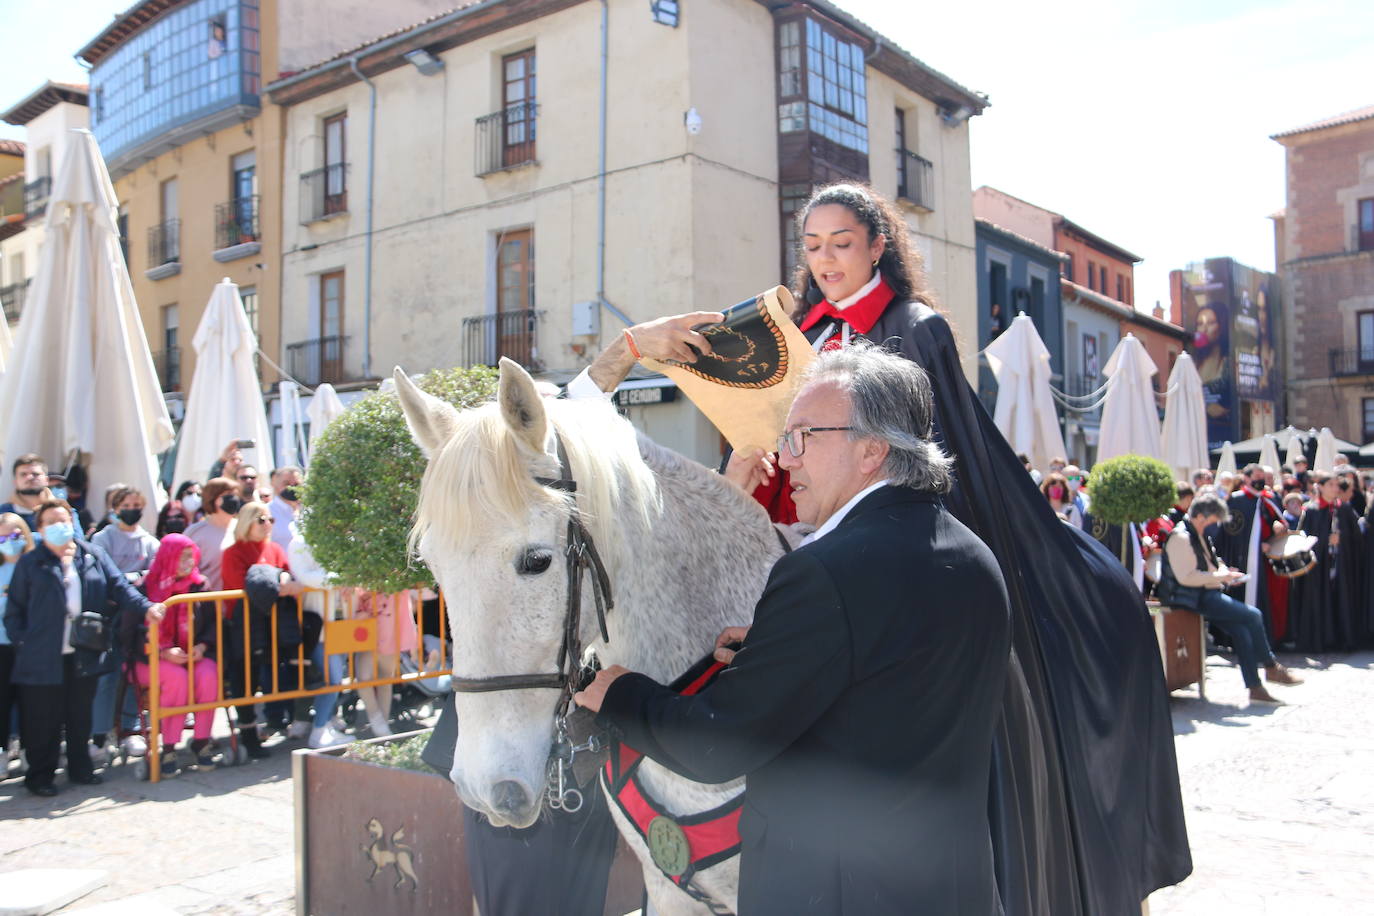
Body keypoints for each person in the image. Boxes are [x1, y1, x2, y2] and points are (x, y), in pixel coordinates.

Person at [575, 181, 1191, 912]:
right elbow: (791, 459)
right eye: (812, 246)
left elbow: (938, 455)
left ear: (878, 246)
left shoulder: (913, 326)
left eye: (842, 243)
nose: (827, 259)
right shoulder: (794, 329)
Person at [577, 344, 1011, 914]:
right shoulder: (976, 557)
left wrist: (619, 693)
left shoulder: (824, 573)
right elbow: (889, 682)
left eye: (804, 436)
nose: (786, 459)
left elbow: (718, 745)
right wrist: (774, 653)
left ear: (872, 450)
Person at [3, 500, 165, 796]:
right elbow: (14, 611)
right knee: (44, 718)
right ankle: (41, 775)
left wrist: (147, 608)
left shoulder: (92, 554)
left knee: (80, 715)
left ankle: (81, 768)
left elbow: (120, 588)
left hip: (84, 650)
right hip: (42, 655)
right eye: (51, 521)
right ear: (40, 529)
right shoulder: (31, 562)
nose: (59, 526)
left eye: (63, 519)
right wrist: (25, 641)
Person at [1159, 492, 1302, 705]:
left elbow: (1213, 561)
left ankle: (1255, 689)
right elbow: (1186, 578)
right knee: (1253, 616)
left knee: (1242, 632)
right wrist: (1222, 576)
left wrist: (1225, 572)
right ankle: (1271, 667)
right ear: (1201, 517)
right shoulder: (1181, 537)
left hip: (1202, 594)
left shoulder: (1196, 533)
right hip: (1189, 598)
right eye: (1213, 521)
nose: (1213, 525)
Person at [220, 501, 305, 758]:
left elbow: (288, 575)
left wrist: (278, 579)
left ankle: (276, 720)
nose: (268, 525)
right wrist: (275, 578)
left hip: (273, 621)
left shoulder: (276, 549)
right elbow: (240, 583)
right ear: (247, 522)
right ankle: (247, 733)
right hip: (245, 623)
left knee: (276, 672)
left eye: (270, 520)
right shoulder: (233, 553)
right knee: (244, 678)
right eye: (262, 520)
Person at [130, 534, 220, 773]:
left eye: (191, 557)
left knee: (209, 674)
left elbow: (213, 625)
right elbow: (130, 634)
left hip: (192, 654)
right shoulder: (144, 588)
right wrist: (162, 651)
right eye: (181, 558)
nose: (187, 563)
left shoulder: (200, 585)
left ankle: (201, 742)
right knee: (176, 678)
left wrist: (203, 647)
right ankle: (168, 747)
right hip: (149, 658)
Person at [89, 485, 160, 760]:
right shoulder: (102, 538)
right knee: (108, 677)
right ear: (115, 509)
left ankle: (130, 729)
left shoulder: (149, 541)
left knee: (134, 675)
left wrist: (132, 579)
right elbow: (104, 574)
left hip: (138, 618)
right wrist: (132, 579)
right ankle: (100, 734)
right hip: (111, 617)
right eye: (126, 505)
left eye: (136, 505)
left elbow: (153, 572)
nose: (132, 510)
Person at [1215, 464, 1290, 645]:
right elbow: (1234, 534)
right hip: (1244, 559)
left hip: (1266, 561)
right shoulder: (1236, 501)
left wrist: (1277, 528)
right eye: (1257, 476)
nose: (1260, 481)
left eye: (1262, 477)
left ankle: (1266, 638)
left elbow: (1275, 521)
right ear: (1247, 478)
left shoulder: (1269, 499)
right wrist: (1257, 545)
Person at [1289, 472, 1362, 652]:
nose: (1336, 488)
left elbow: (1357, 538)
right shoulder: (1312, 511)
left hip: (1341, 566)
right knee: (1320, 600)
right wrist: (1325, 540)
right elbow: (1303, 540)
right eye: (1331, 484)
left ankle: (1343, 639)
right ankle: (1319, 640)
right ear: (1320, 487)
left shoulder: (1344, 509)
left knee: (1341, 600)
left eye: (1337, 485)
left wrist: (1342, 539)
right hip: (1318, 568)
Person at [0, 512, 35, 771]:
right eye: (2, 536)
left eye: (15, 534)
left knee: (29, 701)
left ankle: (28, 751)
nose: (9, 540)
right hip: (1, 645)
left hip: (28, 644)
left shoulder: (34, 565)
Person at [184, 478, 241, 591]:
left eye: (235, 494)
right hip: (209, 602)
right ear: (214, 498)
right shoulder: (195, 532)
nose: (234, 499)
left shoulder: (243, 527)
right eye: (229, 494)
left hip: (241, 604)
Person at [0, 454, 51, 532]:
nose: (29, 477)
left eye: (35, 474)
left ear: (46, 480)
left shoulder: (63, 511)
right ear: (15, 481)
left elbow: (75, 541)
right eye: (23, 474)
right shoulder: (2, 513)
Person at [267, 466, 303, 550]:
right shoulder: (267, 512)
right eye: (286, 484)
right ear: (276, 485)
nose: (292, 488)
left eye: (296, 484)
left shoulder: (309, 511)